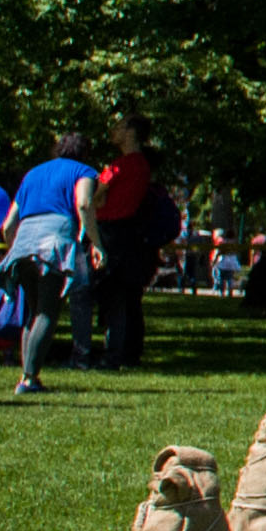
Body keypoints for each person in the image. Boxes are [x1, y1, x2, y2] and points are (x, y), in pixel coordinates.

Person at [0, 134, 102, 395]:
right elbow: (84, 203)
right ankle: (29, 379)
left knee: (32, 312)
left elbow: (8, 224)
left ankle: (27, 375)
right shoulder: (84, 171)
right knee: (47, 311)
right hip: (54, 242)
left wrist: (15, 250)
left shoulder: (32, 174)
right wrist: (96, 243)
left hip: (23, 242)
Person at [91, 118, 167, 369]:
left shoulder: (123, 166)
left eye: (121, 127)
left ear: (132, 133)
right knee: (128, 297)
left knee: (116, 295)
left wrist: (101, 198)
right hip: (128, 235)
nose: (114, 131)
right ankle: (128, 351)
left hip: (114, 235)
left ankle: (116, 352)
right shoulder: (141, 166)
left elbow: (97, 195)